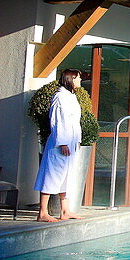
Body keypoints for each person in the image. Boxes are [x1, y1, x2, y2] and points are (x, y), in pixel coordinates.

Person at [34, 69, 84, 222]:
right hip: (60, 143)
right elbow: (57, 120)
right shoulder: (60, 97)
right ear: (71, 79)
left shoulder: (71, 97)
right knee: (52, 175)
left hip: (71, 142)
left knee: (67, 176)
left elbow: (74, 121)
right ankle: (42, 212)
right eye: (78, 78)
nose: (80, 81)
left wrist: (78, 140)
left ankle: (65, 210)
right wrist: (62, 142)